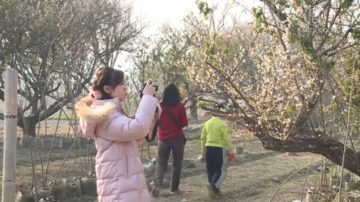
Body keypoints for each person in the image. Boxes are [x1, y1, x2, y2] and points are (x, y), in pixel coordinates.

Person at [75, 67, 159, 202]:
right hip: (119, 190)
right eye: (121, 84)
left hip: (123, 187)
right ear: (108, 89)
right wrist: (148, 98)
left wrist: (149, 103)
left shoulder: (113, 113)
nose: (125, 88)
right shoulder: (106, 116)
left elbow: (140, 134)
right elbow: (138, 128)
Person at [153, 83, 188, 194]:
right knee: (177, 164)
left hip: (163, 139)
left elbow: (156, 121)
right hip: (177, 138)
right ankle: (174, 188)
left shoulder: (159, 106)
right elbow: (184, 123)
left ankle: (157, 185)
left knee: (161, 163)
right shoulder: (180, 107)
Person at [199, 114, 234, 196]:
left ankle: (214, 189)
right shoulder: (222, 124)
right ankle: (213, 186)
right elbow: (226, 138)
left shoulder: (207, 123)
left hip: (208, 148)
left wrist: (203, 151)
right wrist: (230, 149)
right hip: (218, 148)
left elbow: (203, 138)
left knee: (210, 169)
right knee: (220, 170)